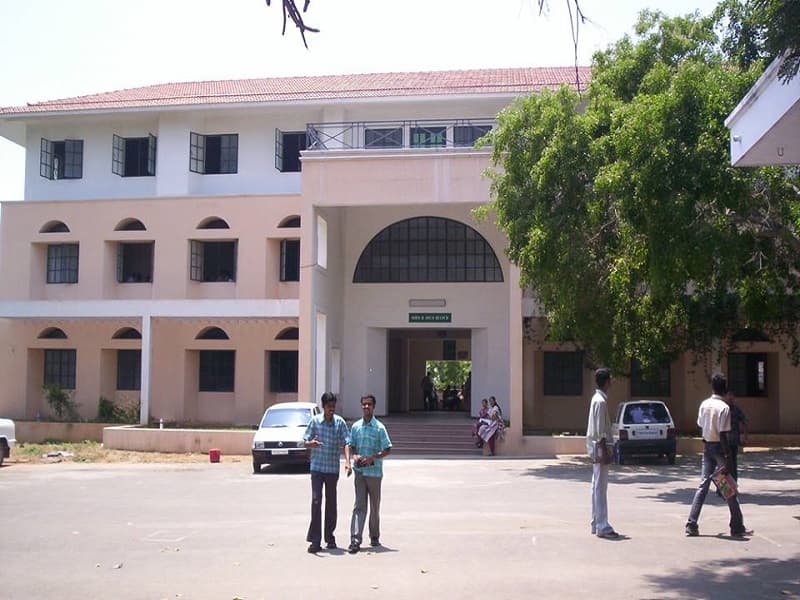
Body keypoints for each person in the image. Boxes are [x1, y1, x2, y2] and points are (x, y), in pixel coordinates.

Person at [685, 373, 749, 538]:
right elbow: (722, 434)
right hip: (720, 449)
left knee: (703, 486)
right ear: (724, 388)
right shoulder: (724, 408)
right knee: (728, 487)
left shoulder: (704, 404)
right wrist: (727, 457)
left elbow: (700, 425)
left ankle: (691, 523)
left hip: (707, 446)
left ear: (713, 387)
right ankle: (736, 525)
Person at [302, 392, 351, 553]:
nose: (331, 410)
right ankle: (315, 540)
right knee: (316, 501)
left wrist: (348, 462)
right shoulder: (315, 422)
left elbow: (346, 442)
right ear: (323, 406)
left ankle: (329, 537)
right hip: (317, 468)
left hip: (331, 469)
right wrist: (311, 444)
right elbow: (305, 441)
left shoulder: (339, 423)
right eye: (328, 407)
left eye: (333, 407)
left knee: (331, 503)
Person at [347, 394, 392, 554]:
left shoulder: (380, 428)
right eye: (364, 404)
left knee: (374, 507)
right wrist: (355, 456)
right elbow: (351, 446)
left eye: (369, 405)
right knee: (359, 506)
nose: (366, 407)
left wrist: (373, 457)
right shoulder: (356, 427)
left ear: (374, 407)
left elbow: (388, 449)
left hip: (374, 474)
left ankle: (374, 536)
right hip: (360, 473)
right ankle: (355, 539)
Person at [586, 367, 619, 539]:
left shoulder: (597, 399)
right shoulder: (600, 401)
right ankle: (602, 525)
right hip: (600, 448)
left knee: (596, 486)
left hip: (596, 448)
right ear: (607, 382)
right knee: (600, 487)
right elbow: (600, 432)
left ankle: (596, 522)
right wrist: (605, 452)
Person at [725, 391, 748, 481]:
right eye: (728, 396)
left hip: (734, 440)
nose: (730, 398)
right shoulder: (722, 409)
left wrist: (745, 437)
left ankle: (733, 484)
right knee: (723, 464)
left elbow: (744, 422)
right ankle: (722, 488)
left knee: (733, 464)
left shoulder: (736, 410)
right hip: (724, 441)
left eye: (732, 396)